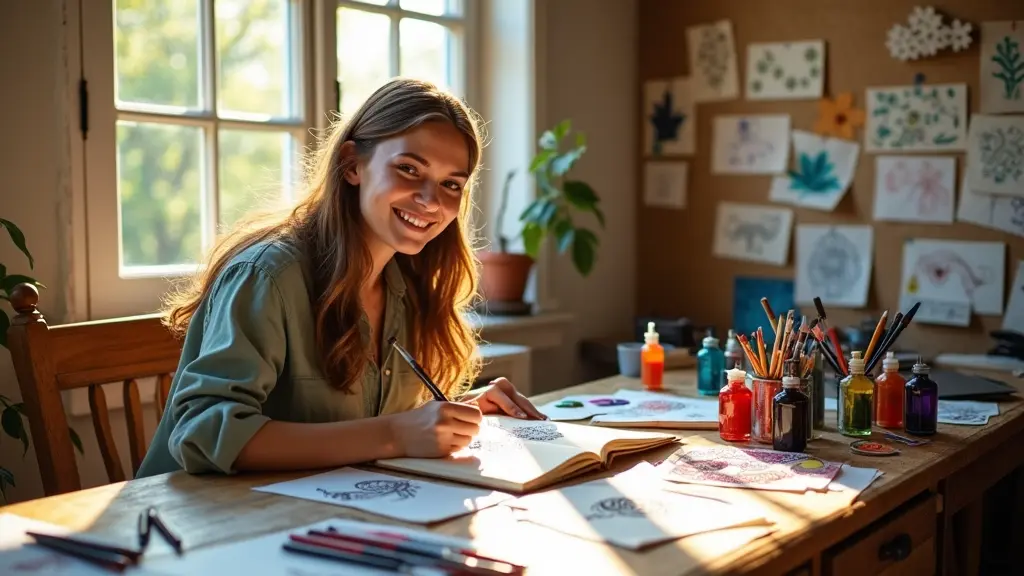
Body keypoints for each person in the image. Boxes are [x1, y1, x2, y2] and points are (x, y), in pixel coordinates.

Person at [137, 78, 545, 478]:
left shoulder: (410, 284)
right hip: (194, 526)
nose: (430, 200)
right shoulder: (267, 275)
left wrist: (454, 415)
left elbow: (364, 425)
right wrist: (396, 435)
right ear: (352, 164)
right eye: (408, 168)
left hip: (322, 518)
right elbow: (203, 432)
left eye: (450, 184)